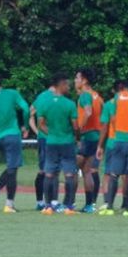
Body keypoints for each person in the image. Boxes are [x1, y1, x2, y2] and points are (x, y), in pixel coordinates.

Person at [0, 73, 29, 213]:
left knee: (11, 168)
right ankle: (8, 204)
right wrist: (25, 125)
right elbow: (25, 108)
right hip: (13, 135)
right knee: (12, 169)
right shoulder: (12, 94)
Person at [38, 73, 79, 215]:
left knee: (49, 173)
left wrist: (50, 133)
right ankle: (69, 207)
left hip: (51, 142)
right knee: (69, 174)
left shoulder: (45, 103)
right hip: (67, 142)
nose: (68, 87)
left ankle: (48, 206)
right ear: (60, 85)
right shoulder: (70, 104)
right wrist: (76, 137)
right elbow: (75, 125)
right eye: (67, 84)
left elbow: (41, 123)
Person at [75, 67, 104, 213]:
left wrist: (79, 129)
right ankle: (89, 205)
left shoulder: (85, 95)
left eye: (77, 78)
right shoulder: (97, 97)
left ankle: (68, 203)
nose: (75, 81)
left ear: (84, 80)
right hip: (96, 136)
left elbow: (88, 112)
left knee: (71, 168)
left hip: (86, 136)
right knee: (87, 171)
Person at [96, 79, 128, 210]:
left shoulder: (109, 104)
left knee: (109, 173)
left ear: (114, 90)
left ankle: (107, 202)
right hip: (127, 141)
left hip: (112, 142)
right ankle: (126, 203)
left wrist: (100, 145)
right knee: (126, 174)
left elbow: (104, 126)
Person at [29, 80, 56, 210]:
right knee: (51, 171)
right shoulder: (57, 97)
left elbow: (30, 114)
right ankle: (50, 202)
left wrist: (37, 131)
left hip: (43, 138)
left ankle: (40, 201)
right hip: (53, 139)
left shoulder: (40, 97)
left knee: (43, 170)